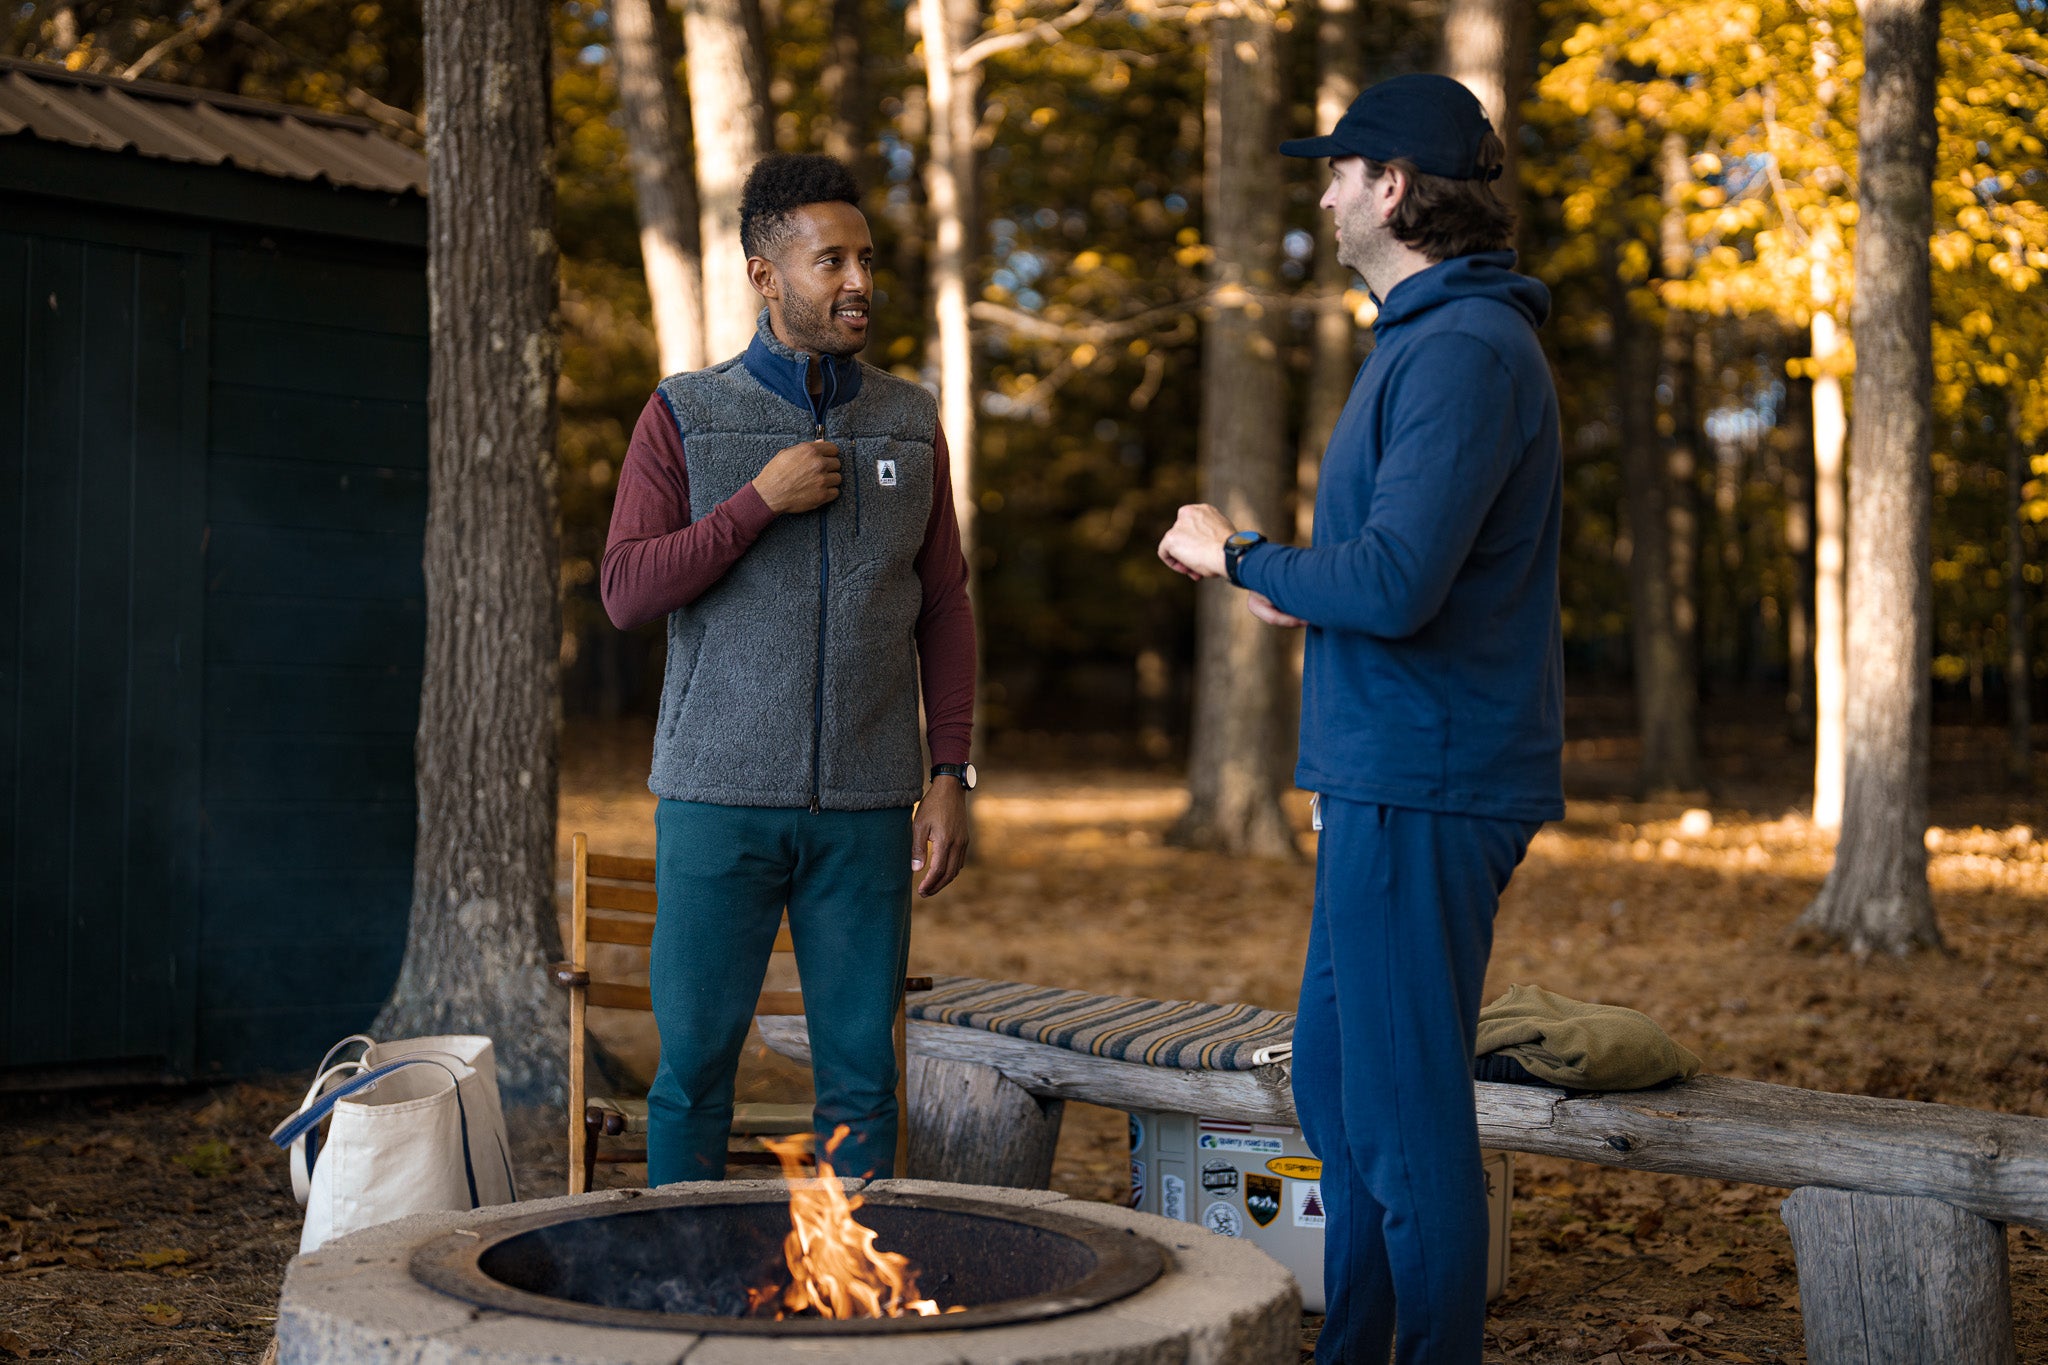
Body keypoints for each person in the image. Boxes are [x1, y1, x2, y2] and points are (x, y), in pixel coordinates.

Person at [1156, 73, 1564, 1364]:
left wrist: (1242, 557)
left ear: (1394, 187)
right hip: (1389, 775)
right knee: (1340, 1084)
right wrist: (1302, 591)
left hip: (1426, 783)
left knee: (1403, 1121)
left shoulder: (1460, 351)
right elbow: (1393, 569)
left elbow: (1394, 582)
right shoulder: (1431, 340)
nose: (1322, 193)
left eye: (1338, 171)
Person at [600, 153, 976, 1185]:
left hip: (865, 806)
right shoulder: (685, 414)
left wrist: (950, 773)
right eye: (830, 261)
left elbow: (942, 605)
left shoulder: (908, 421)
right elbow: (627, 589)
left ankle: (855, 1308)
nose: (858, 280)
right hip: (717, 802)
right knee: (692, 1074)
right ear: (765, 276)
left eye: (865, 257)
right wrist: (754, 503)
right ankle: (682, 1283)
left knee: (861, 1077)